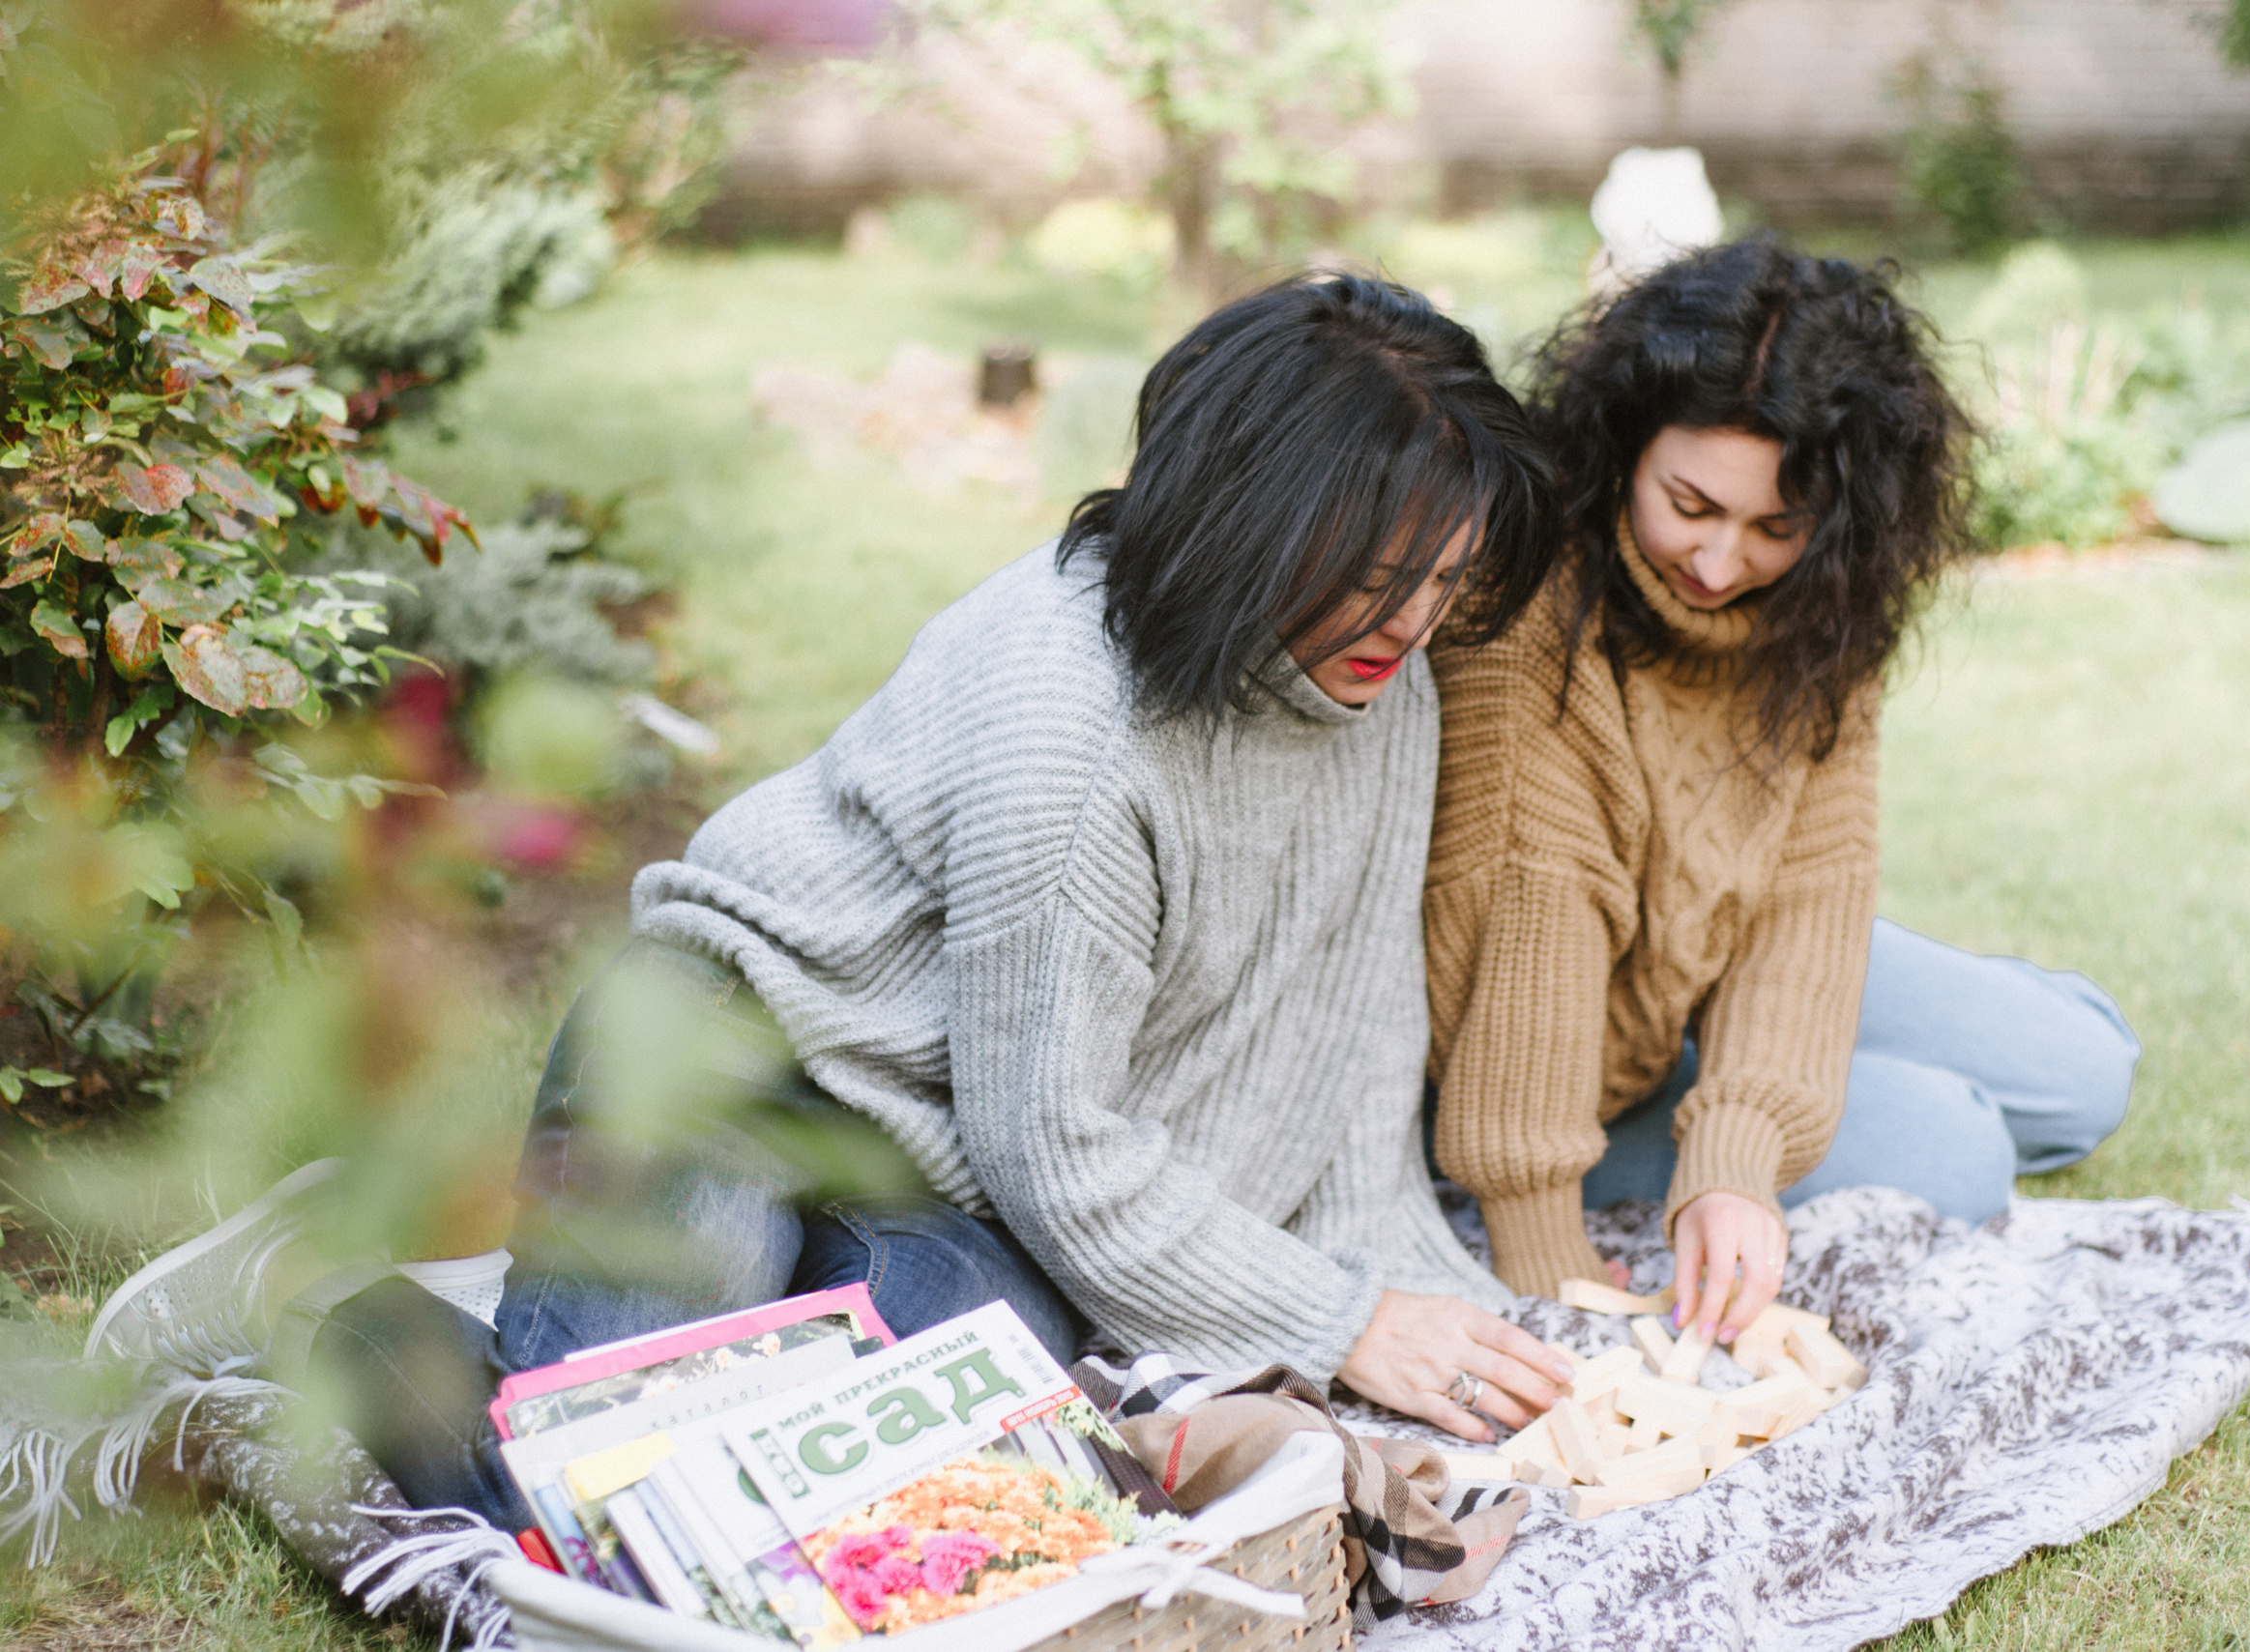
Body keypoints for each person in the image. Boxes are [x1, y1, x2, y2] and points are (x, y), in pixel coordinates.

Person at [89, 274, 1575, 1529]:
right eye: (1378, 576)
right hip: (735, 1060)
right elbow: (1060, 1149)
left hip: (937, 1149)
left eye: (1445, 579)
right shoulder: (1069, 719)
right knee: (613, 1498)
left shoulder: (1388, 690)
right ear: (1245, 524)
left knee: (961, 1492)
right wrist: (1338, 1320)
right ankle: (336, 1313)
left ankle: (762, 1301)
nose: (1415, 622)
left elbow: (1359, 1010)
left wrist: (1410, 1286)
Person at [1422, 238, 2140, 1348]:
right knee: (1960, 1149)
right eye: (1690, 504)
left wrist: (1738, 1153)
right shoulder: (1525, 601)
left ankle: (1752, 1045)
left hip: (1695, 942)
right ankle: (1738, 1060)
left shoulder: (1824, 603)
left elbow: (1809, 889)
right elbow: (1533, 915)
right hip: (1518, 1045)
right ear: (1623, 447)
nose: (1717, 563)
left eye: (1772, 526)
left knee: (2089, 1070)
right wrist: (1538, 1236)